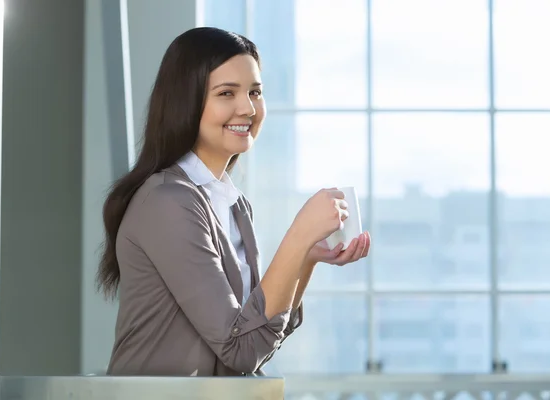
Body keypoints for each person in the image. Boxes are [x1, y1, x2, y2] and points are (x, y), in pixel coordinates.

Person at [97, 27, 371, 377]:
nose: (248, 108)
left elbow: (256, 340)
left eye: (255, 92)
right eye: (227, 93)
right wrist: (298, 236)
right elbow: (239, 349)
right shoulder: (166, 202)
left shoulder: (234, 205)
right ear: (187, 101)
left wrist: (306, 258)